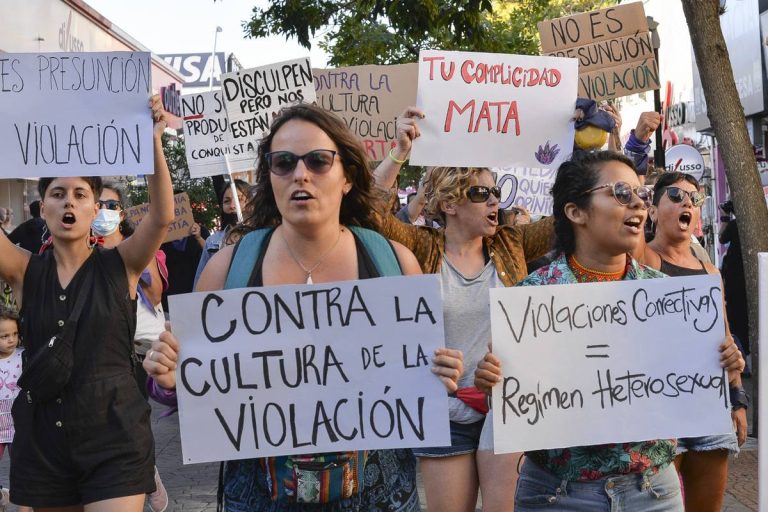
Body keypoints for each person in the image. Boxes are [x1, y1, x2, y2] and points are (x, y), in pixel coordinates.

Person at [144, 103, 464, 511]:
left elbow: (417, 374)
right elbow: (196, 388)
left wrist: (440, 371)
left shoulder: (394, 263)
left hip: (379, 497)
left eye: (318, 161)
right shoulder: (228, 270)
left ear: (347, 176)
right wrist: (168, 379)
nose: (300, 174)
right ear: (270, 176)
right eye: (283, 162)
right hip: (259, 497)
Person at [474, 151, 744, 511]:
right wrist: (494, 384)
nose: (638, 203)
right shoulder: (530, 299)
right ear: (576, 212)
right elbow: (515, 408)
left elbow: (687, 386)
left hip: (653, 494)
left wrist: (724, 363)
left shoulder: (670, 300)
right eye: (620, 192)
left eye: (642, 194)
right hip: (556, 495)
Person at [371, 107, 554, 512]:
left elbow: (577, 218)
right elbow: (369, 215)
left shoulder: (512, 243)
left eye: (495, 193)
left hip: (506, 405)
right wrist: (399, 153)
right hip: (443, 410)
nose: (493, 201)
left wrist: (589, 142)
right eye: (480, 193)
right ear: (449, 204)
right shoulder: (421, 247)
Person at [0, 94, 174, 510]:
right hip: (45, 439)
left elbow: (162, 217)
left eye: (80, 194)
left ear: (95, 208)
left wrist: (153, 142)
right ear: (43, 209)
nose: (69, 202)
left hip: (115, 437)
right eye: (58, 194)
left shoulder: (123, 264)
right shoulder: (25, 270)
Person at [639, 171, 746, 512]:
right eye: (674, 195)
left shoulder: (710, 272)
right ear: (652, 211)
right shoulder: (644, 261)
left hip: (707, 409)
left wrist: (737, 398)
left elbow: (724, 337)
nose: (687, 202)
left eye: (695, 198)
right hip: (659, 412)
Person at [94, 183, 170, 512]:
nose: (103, 210)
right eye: (97, 203)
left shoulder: (139, 247)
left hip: (138, 348)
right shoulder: (76, 249)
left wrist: (136, 253)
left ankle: (146, 471)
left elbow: (153, 297)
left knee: (133, 419)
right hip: (98, 349)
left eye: (111, 205)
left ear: (121, 213)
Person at [193, 179, 250, 288]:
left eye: (239, 200)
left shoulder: (263, 237)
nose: (232, 206)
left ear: (251, 202)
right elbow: (200, 279)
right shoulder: (212, 242)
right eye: (227, 201)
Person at [0, 307, 29, 512]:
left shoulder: (24, 356)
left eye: (14, 334)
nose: (11, 339)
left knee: (24, 468)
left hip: (19, 421)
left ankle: (25, 508)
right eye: (4, 336)